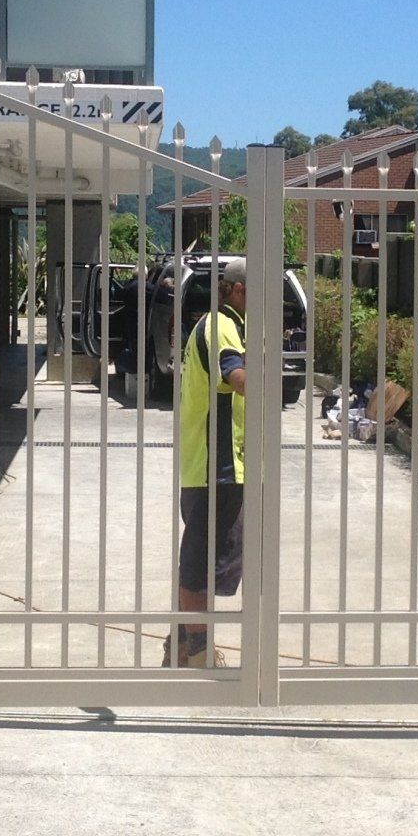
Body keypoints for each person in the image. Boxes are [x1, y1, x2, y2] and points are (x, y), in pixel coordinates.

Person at [167, 257, 249, 668]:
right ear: (235, 289)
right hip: (215, 466)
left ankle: (180, 642)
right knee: (202, 558)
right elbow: (236, 376)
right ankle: (197, 649)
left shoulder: (222, 324)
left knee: (207, 553)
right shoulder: (222, 326)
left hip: (212, 463)